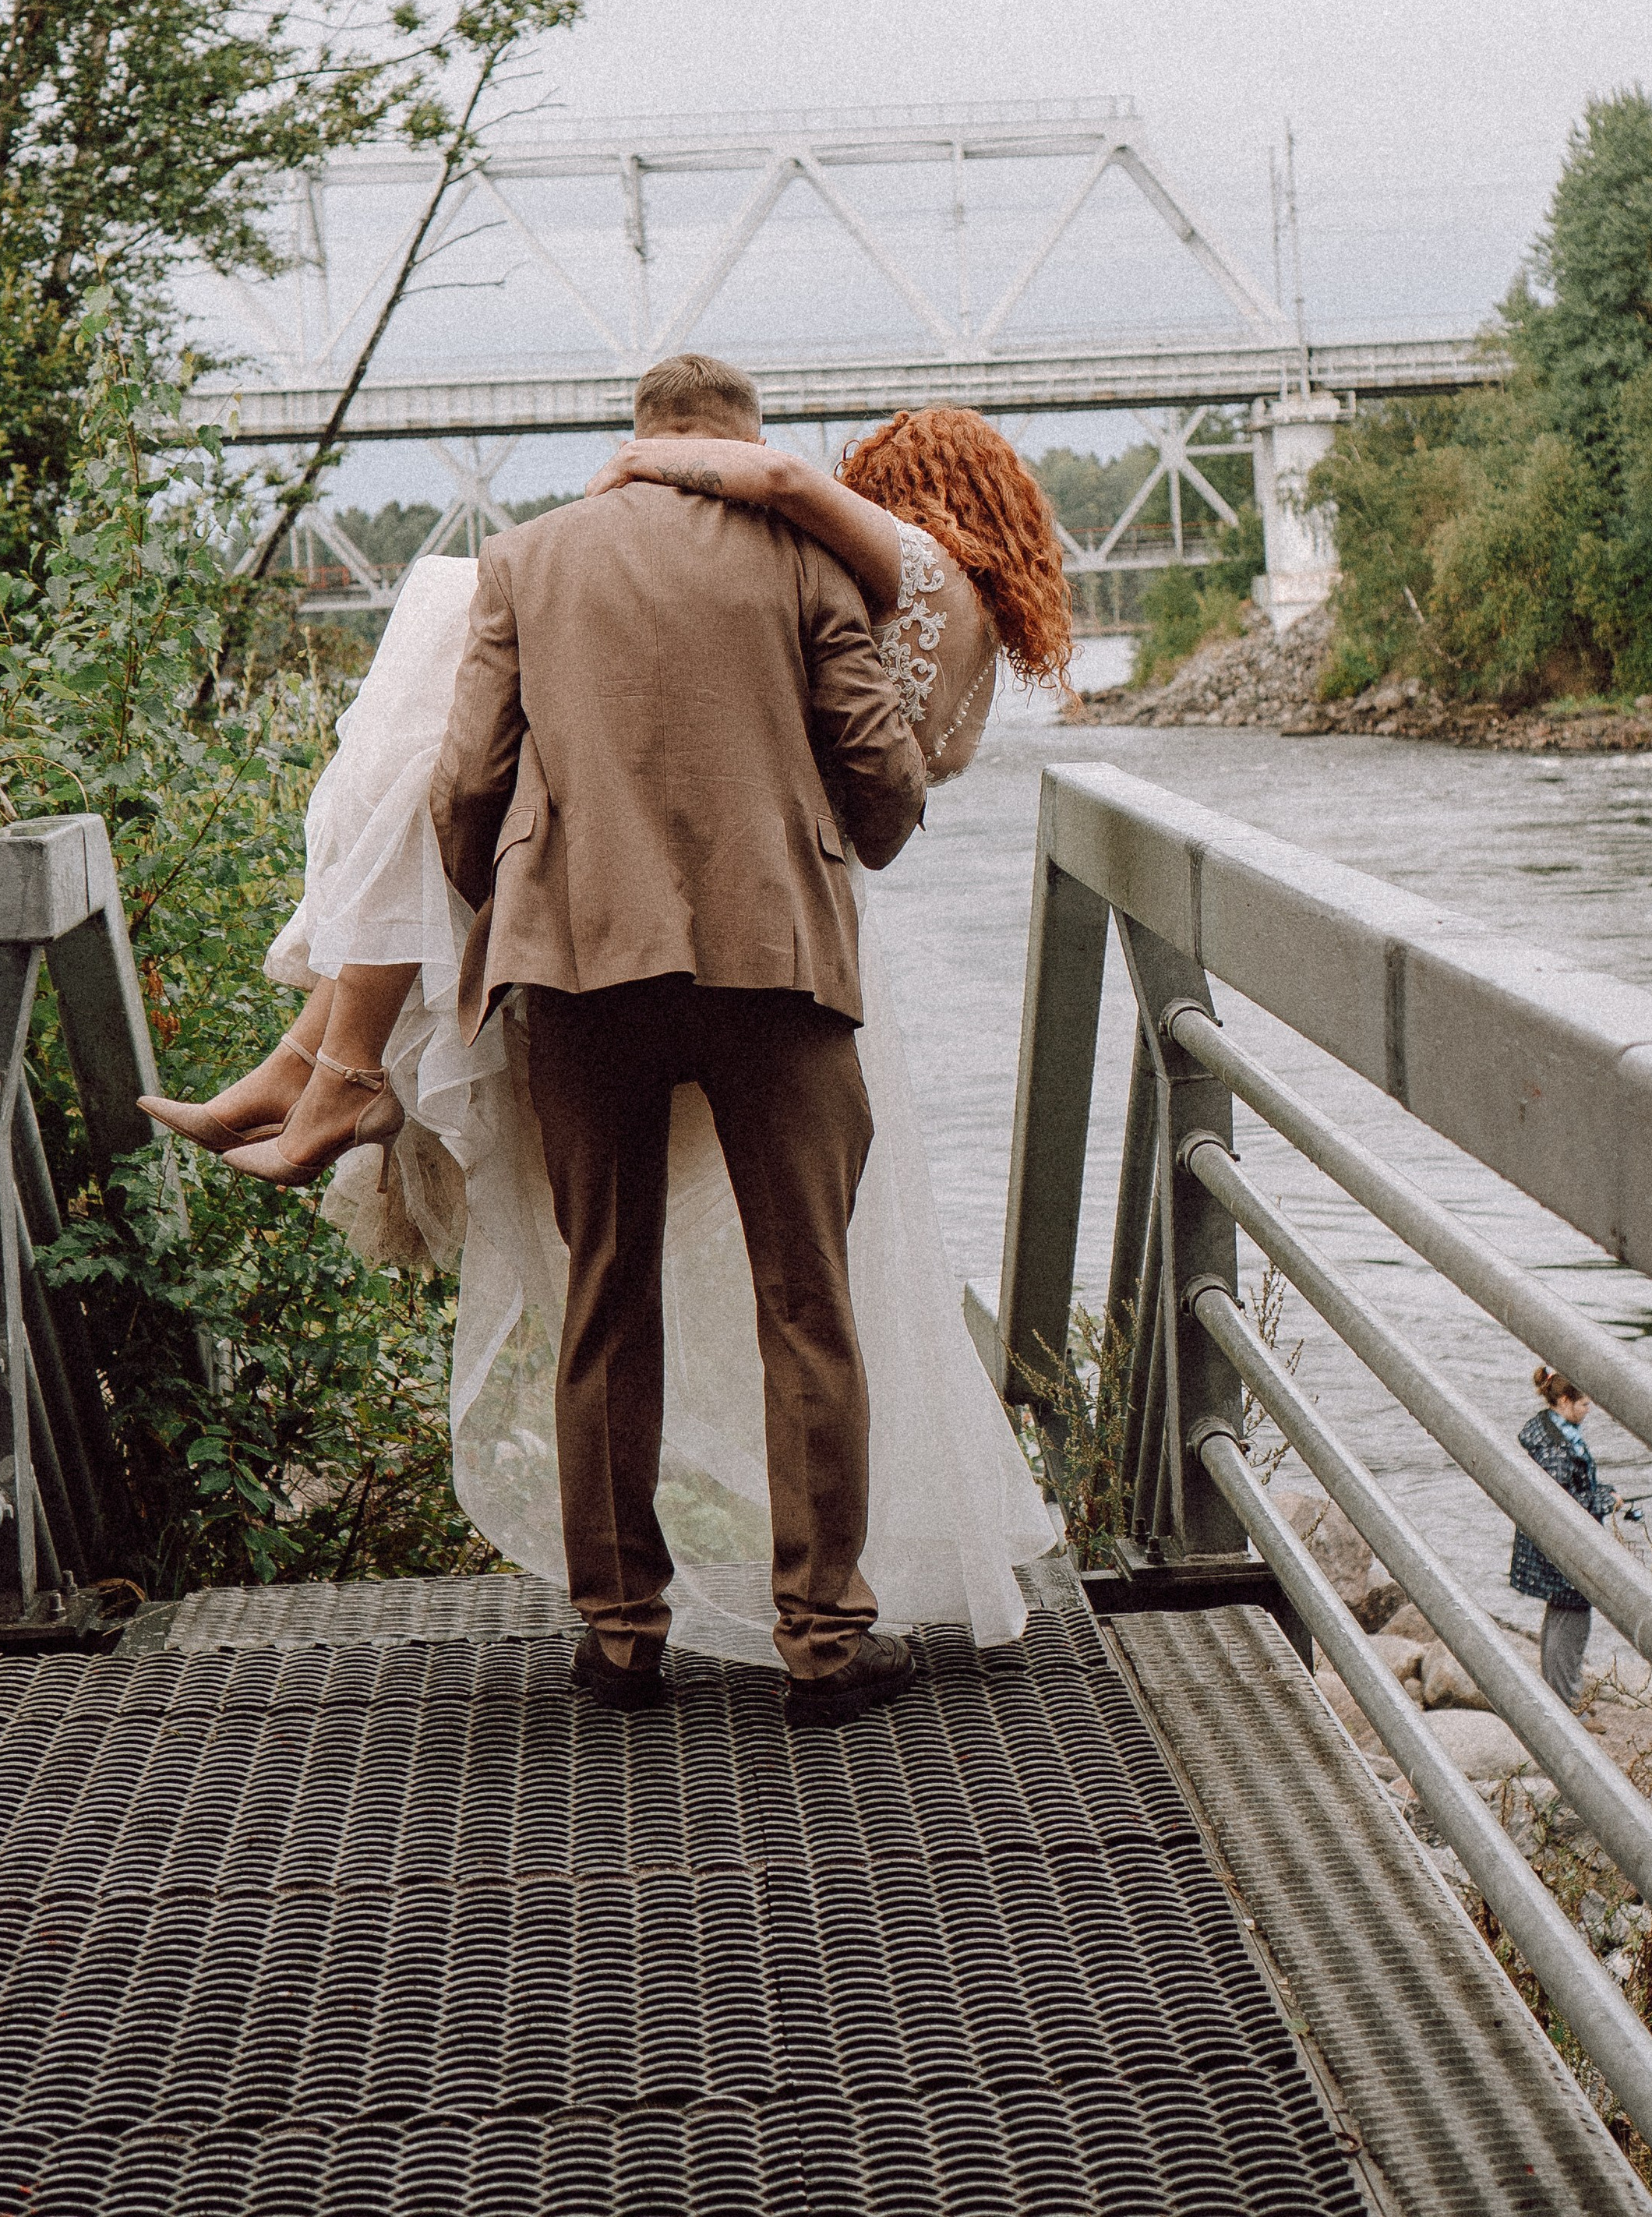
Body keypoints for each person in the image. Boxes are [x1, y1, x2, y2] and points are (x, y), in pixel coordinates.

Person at [140, 358, 1068, 1699]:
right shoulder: (810, 570)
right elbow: (880, 779)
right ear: (742, 442)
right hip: (779, 971)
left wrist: (507, 902)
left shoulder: (525, 561)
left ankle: (621, 1637)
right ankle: (822, 1636)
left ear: (639, 439)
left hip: (579, 971)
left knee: (604, 1297)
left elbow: (465, 783)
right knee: (806, 1305)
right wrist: (831, 849)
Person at [1509, 1366, 1617, 1706]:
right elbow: (1564, 1502)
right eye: (1585, 1404)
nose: (1589, 1410)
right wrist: (1606, 1499)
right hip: (1561, 1549)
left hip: (1542, 1547)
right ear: (1566, 1401)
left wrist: (1600, 1492)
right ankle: (1568, 1706)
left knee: (1560, 1613)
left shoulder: (1545, 1428)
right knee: (1574, 1620)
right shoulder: (1557, 1449)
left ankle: (1557, 1697)